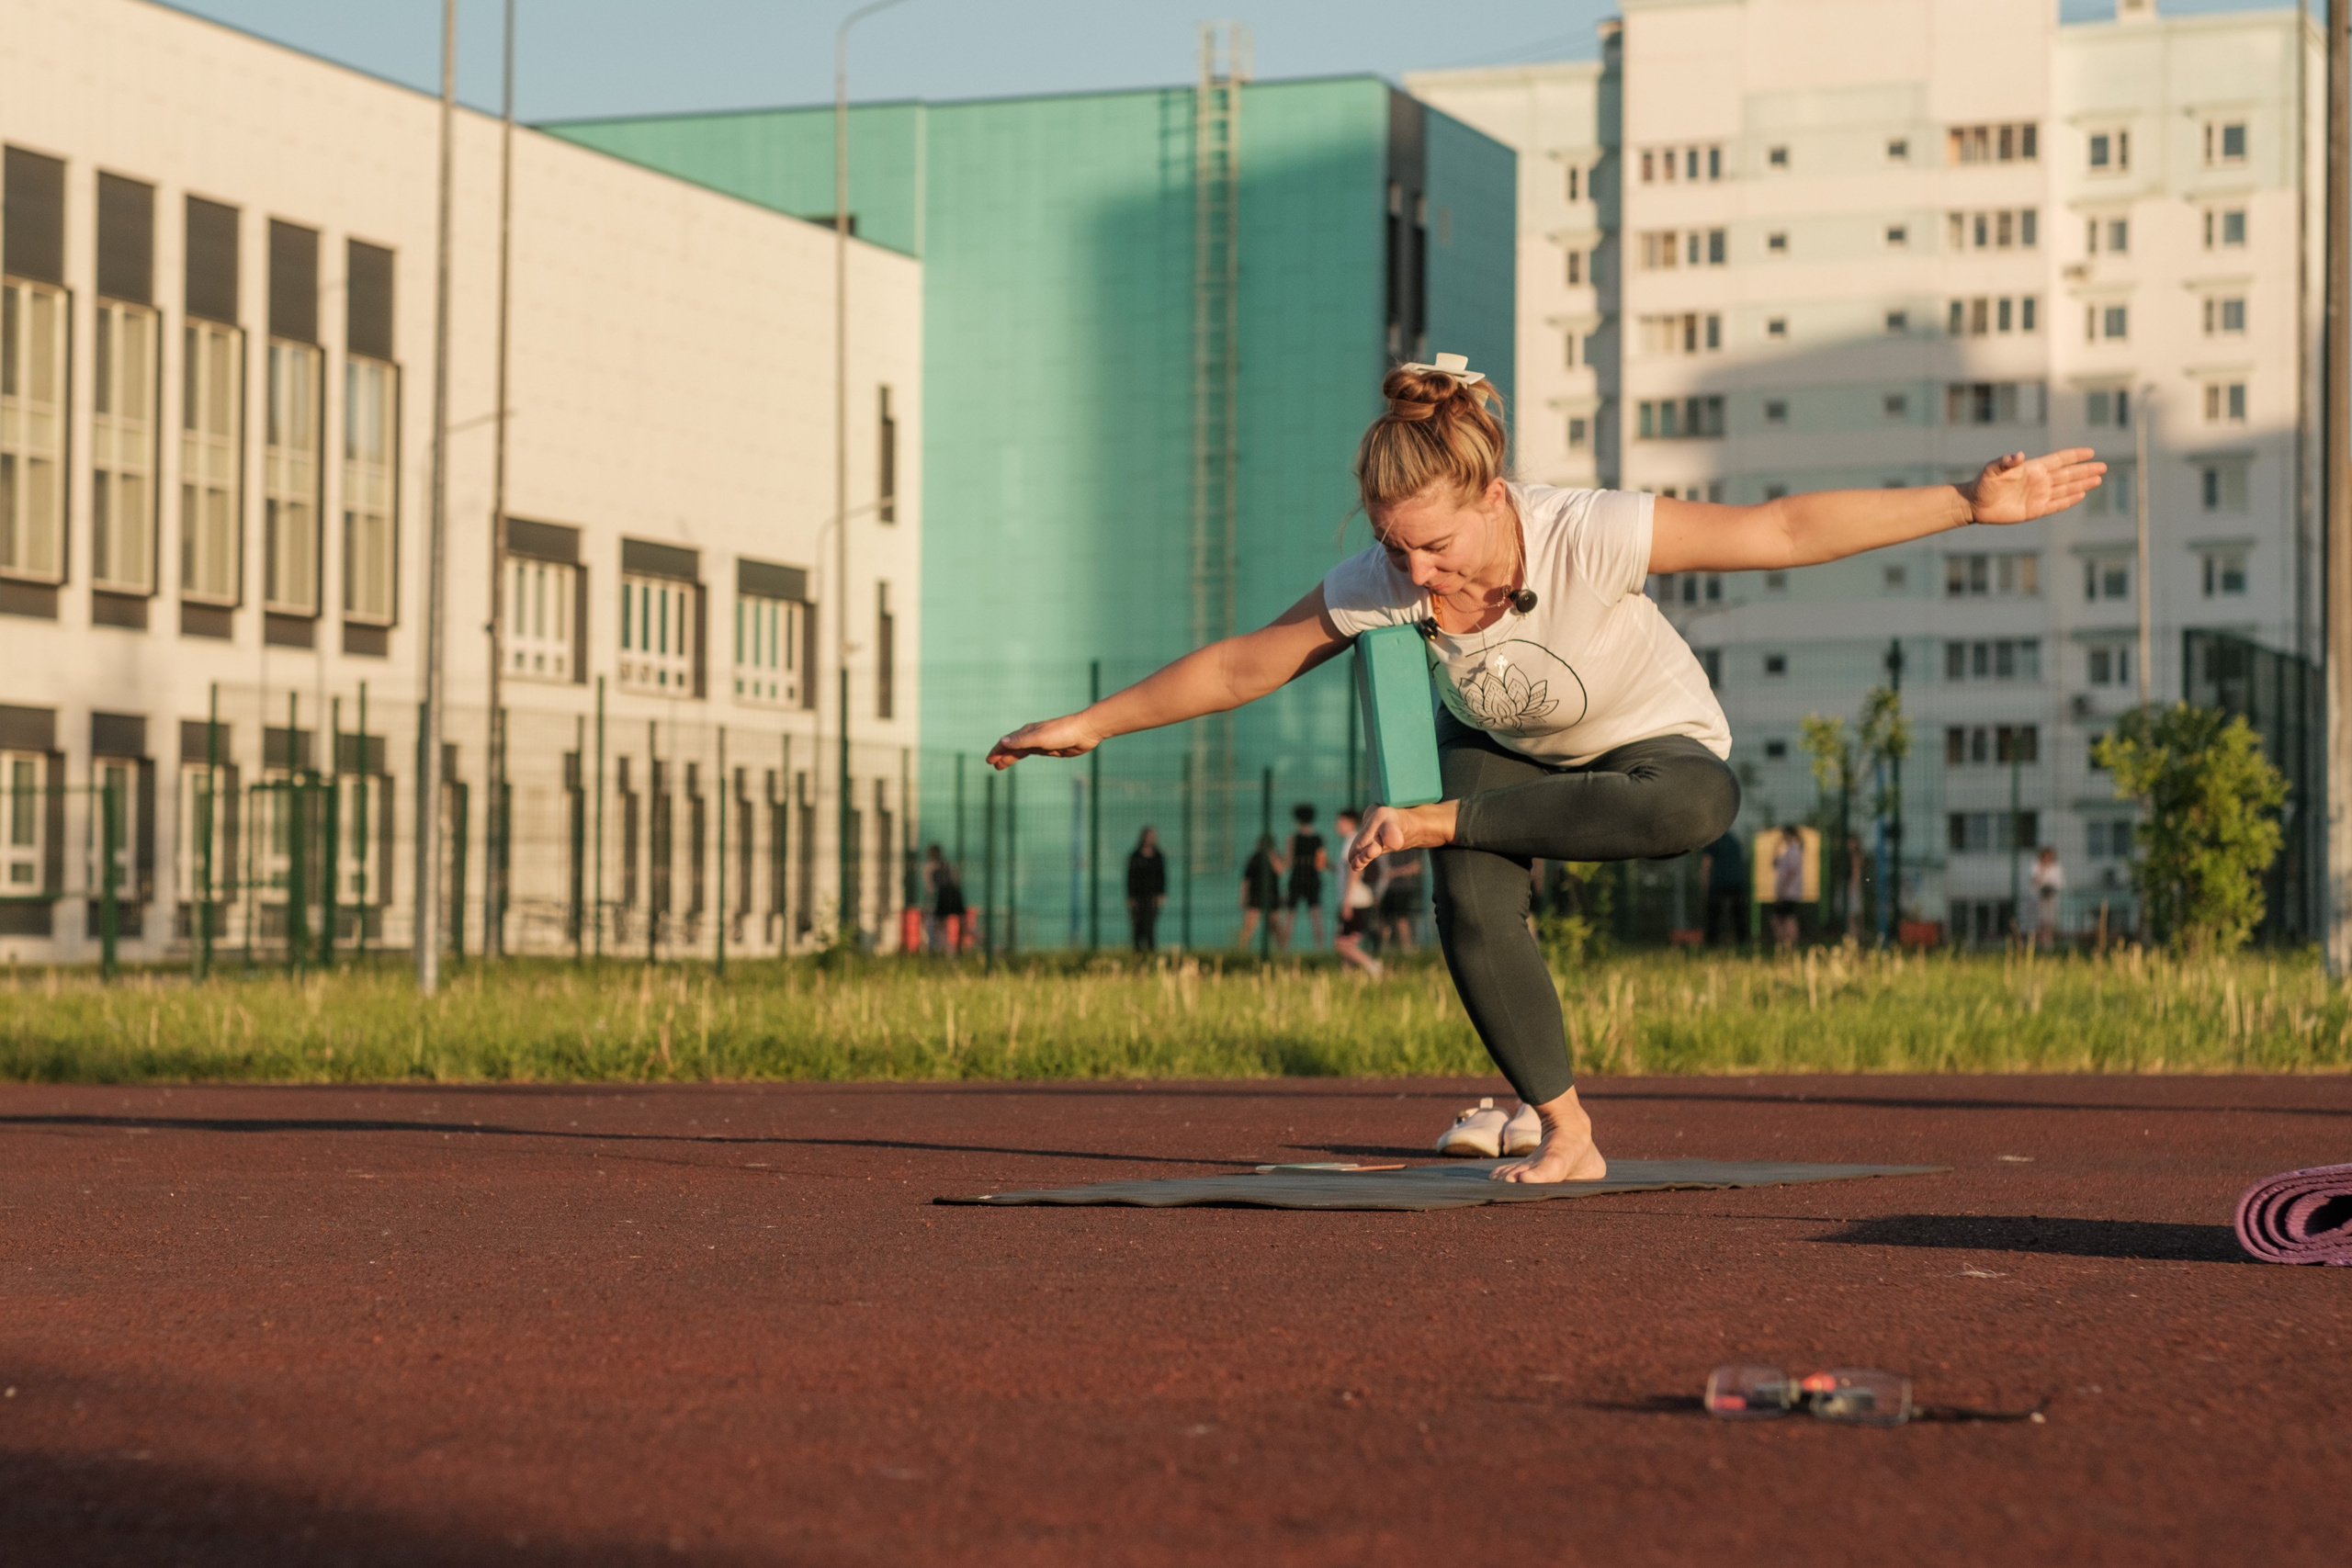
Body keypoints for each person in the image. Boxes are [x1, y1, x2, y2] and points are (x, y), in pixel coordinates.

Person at [986, 352, 2100, 1181]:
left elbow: (1780, 531)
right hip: (1501, 751)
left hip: (1645, 744)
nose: (1416, 573)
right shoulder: (1382, 578)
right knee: (1467, 896)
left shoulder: (1586, 529)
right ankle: (1565, 1131)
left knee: (1697, 805)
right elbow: (1242, 667)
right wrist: (1093, 722)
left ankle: (1451, 845)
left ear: (1491, 495)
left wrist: (1967, 503)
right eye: (1393, 545)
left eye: (1438, 544)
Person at [1332, 808, 1385, 979]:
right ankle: (1346, 977)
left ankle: (1372, 965)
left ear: (1349, 822)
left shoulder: (1351, 841)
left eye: (1340, 821)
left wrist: (1346, 901)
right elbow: (1344, 873)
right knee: (1346, 942)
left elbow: (1354, 872)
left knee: (1341, 944)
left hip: (1356, 901)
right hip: (1356, 899)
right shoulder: (1349, 841)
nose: (1337, 825)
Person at [1278, 803, 1329, 952]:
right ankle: (1320, 949)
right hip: (1313, 877)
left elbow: (1287, 862)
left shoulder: (1293, 838)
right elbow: (1321, 864)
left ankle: (1283, 949)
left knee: (1290, 915)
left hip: (1297, 876)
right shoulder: (1319, 839)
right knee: (1316, 915)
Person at [1699, 828, 1747, 946]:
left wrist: (1704, 884)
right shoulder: (1733, 839)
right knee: (1738, 912)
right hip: (1736, 882)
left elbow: (1707, 863)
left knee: (1714, 913)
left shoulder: (1712, 840)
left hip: (1718, 883)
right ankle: (1743, 940)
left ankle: (1712, 941)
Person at [1238, 833, 1285, 951]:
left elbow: (1280, 870)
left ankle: (1282, 952)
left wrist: (1272, 856)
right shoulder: (1254, 859)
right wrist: (1243, 898)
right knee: (1249, 926)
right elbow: (1246, 880)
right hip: (1256, 895)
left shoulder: (1275, 857)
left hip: (1272, 896)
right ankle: (1241, 951)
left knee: (1274, 927)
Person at [1126, 825, 1168, 953]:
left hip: (1152, 897)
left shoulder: (1158, 856)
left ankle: (1151, 954)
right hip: (1138, 897)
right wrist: (1130, 896)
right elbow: (1130, 877)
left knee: (1149, 926)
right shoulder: (1135, 856)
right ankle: (1137, 955)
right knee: (1138, 927)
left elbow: (1162, 876)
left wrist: (1161, 894)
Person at [1377, 845, 1425, 953]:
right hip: (1390, 887)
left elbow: (1415, 868)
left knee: (1401, 918)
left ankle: (1407, 948)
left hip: (1403, 887)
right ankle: (1384, 948)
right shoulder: (1391, 847)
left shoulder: (1410, 848)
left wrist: (1395, 873)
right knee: (1383, 917)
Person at [925, 844, 967, 956]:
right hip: (954, 894)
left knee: (940, 926)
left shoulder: (931, 868)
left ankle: (951, 951)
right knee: (959, 923)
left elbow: (930, 888)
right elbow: (956, 880)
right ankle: (955, 950)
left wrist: (930, 902)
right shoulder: (947, 865)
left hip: (944, 895)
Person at [1770, 826, 1805, 950]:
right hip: (1787, 891)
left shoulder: (1794, 851)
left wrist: (1782, 891)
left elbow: (1791, 872)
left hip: (1789, 892)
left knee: (1786, 918)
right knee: (1783, 918)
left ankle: (1789, 943)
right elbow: (1775, 863)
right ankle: (1786, 943)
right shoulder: (1787, 850)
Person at [2030, 843, 2064, 952]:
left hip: (2051, 899)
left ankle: (2049, 946)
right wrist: (2042, 870)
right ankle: (2040, 946)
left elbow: (2059, 884)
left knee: (2049, 923)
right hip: (2039, 899)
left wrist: (2050, 889)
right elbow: (2034, 881)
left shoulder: (2056, 868)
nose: (2047, 858)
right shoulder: (2036, 866)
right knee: (2041, 923)